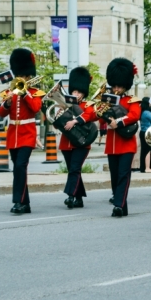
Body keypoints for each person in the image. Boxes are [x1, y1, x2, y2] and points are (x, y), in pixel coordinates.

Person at [0, 48, 44, 214]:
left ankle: (18, 201)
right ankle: (25, 203)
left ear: (28, 75)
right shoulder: (9, 91)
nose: (20, 78)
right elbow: (1, 113)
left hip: (27, 133)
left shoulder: (34, 92)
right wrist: (8, 102)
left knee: (20, 167)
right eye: (19, 75)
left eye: (23, 76)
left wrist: (25, 94)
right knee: (18, 169)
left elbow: (35, 108)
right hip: (13, 134)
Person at [103, 58, 141, 218]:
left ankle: (118, 205)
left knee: (123, 175)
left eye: (120, 86)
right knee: (114, 175)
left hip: (126, 144)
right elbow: (97, 117)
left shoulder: (132, 100)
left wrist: (117, 122)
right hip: (112, 144)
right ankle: (122, 205)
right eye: (115, 85)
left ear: (125, 85)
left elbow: (134, 115)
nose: (117, 89)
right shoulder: (107, 100)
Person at [59, 66, 98, 209]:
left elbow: (90, 115)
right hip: (66, 142)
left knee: (74, 169)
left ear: (83, 92)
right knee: (73, 170)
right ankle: (79, 198)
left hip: (82, 143)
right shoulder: (65, 104)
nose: (76, 93)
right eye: (74, 91)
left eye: (79, 91)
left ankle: (70, 196)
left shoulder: (88, 104)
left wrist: (75, 120)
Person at [139, 97, 151, 173]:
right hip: (147, 132)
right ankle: (147, 168)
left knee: (144, 150)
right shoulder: (147, 112)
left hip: (143, 131)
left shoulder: (143, 111)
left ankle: (143, 167)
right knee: (148, 150)